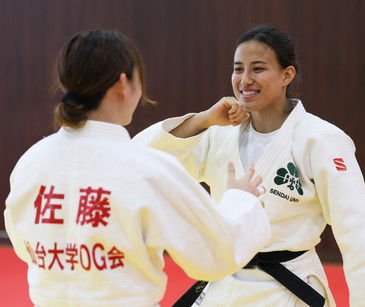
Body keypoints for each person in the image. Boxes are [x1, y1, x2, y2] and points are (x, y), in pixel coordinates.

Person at [133, 25, 365, 306]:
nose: (245, 79)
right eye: (238, 69)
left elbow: (358, 235)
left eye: (258, 69)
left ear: (287, 75)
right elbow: (140, 161)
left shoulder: (321, 139)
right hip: (224, 285)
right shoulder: (219, 133)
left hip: (288, 288)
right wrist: (203, 120)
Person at [3, 29, 272, 307]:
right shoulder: (148, 169)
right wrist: (242, 199)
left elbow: (26, 247)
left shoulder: (30, 162)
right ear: (123, 83)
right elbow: (216, 255)